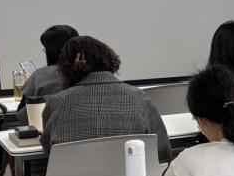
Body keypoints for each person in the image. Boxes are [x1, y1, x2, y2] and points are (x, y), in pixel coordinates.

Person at [40, 36, 171, 161]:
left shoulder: (57, 102)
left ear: (66, 68)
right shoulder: (138, 97)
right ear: (108, 59)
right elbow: (162, 151)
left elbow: (49, 152)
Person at [17, 24, 78, 125]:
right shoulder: (90, 73)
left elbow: (22, 116)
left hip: (46, 134)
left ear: (51, 51)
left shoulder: (40, 76)